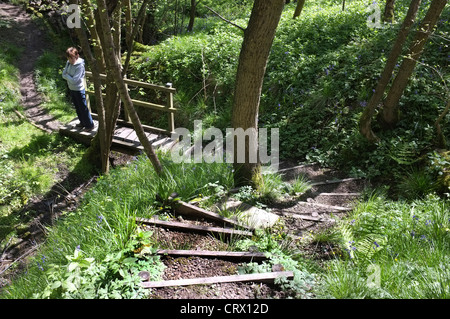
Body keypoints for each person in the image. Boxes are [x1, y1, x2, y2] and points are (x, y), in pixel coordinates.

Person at [62, 47, 94, 131]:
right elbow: (63, 74)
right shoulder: (68, 63)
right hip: (72, 89)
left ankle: (89, 125)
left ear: (77, 56)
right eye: (69, 58)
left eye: (72, 58)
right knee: (77, 107)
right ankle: (82, 122)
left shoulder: (80, 66)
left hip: (79, 90)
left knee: (83, 108)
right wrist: (68, 76)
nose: (70, 60)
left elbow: (74, 80)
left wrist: (67, 76)